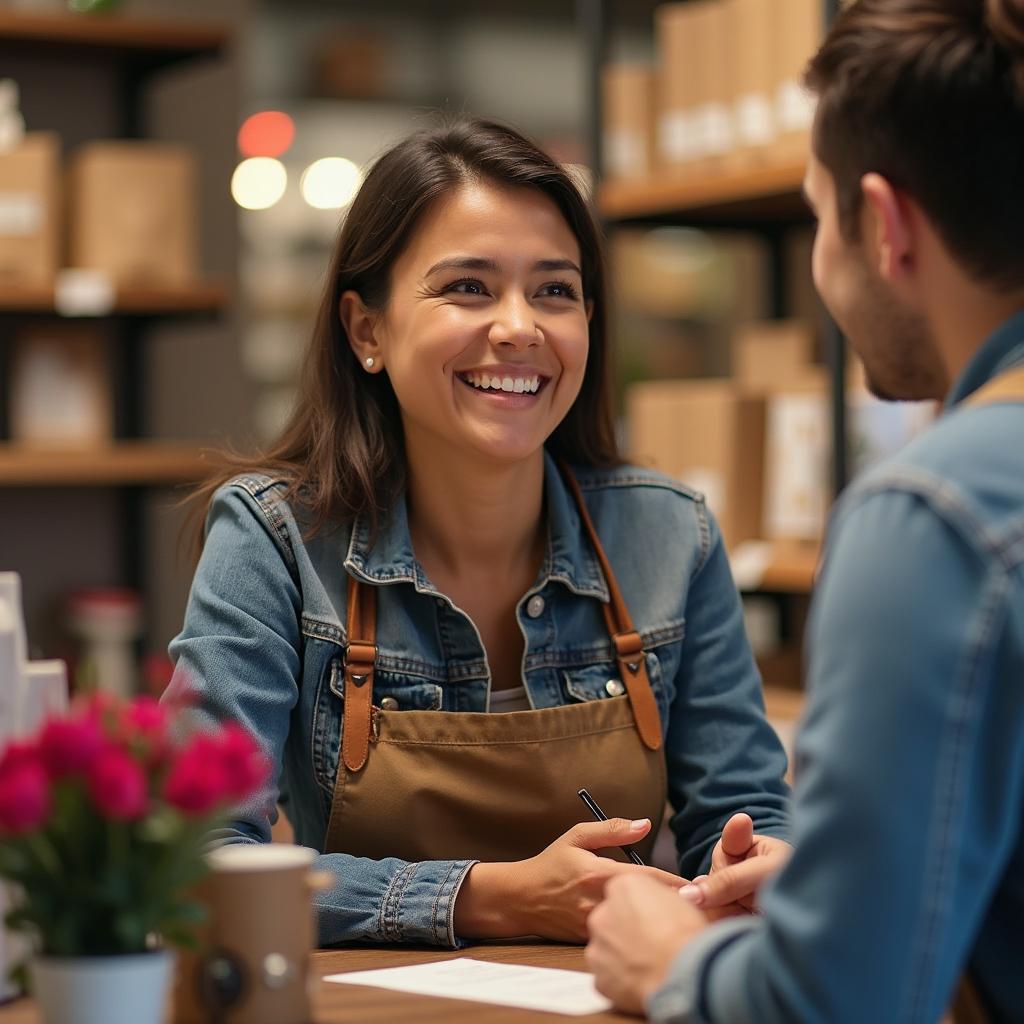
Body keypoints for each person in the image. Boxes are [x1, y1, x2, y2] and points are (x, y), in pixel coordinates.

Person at [166, 117, 791, 948]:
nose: (519, 327)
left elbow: (743, 817)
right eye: (468, 286)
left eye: (555, 290)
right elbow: (193, 860)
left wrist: (764, 862)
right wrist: (482, 897)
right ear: (367, 331)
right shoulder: (277, 540)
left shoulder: (670, 535)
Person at [586, 1, 1024, 1020]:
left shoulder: (937, 513)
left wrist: (664, 961)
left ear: (882, 225)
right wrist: (863, 887)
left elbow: (828, 1005)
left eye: (816, 214)